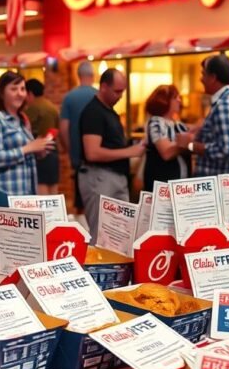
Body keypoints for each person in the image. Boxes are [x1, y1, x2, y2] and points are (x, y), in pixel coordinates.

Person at [80, 69, 146, 238]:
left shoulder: (109, 111)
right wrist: (128, 152)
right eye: (117, 91)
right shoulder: (93, 112)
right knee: (100, 233)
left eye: (123, 91)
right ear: (103, 87)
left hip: (115, 176)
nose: (121, 96)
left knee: (121, 233)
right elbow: (92, 153)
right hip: (100, 177)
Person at [0, 71, 53, 205]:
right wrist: (27, 148)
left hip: (25, 194)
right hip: (3, 193)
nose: (20, 93)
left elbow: (24, 153)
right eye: (14, 89)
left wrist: (38, 151)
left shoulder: (21, 120)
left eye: (22, 89)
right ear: (2, 93)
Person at [188, 54, 229, 177]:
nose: (201, 79)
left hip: (220, 189)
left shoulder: (225, 104)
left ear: (212, 78)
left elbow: (227, 150)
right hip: (225, 188)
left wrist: (191, 146)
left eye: (203, 74)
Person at [59, 61, 98, 211]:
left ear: (78, 76)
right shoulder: (98, 95)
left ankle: (82, 228)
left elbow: (63, 128)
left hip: (78, 157)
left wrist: (70, 149)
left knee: (80, 199)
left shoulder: (70, 97)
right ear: (92, 76)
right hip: (99, 156)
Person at [142, 85, 190, 192]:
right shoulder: (156, 122)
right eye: (175, 97)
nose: (179, 100)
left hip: (181, 188)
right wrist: (185, 143)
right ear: (163, 101)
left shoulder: (178, 125)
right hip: (163, 188)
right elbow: (166, 153)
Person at [24, 79, 61, 195]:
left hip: (39, 153)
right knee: (53, 192)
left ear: (29, 93)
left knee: (42, 194)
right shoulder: (52, 107)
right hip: (53, 152)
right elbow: (57, 129)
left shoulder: (32, 109)